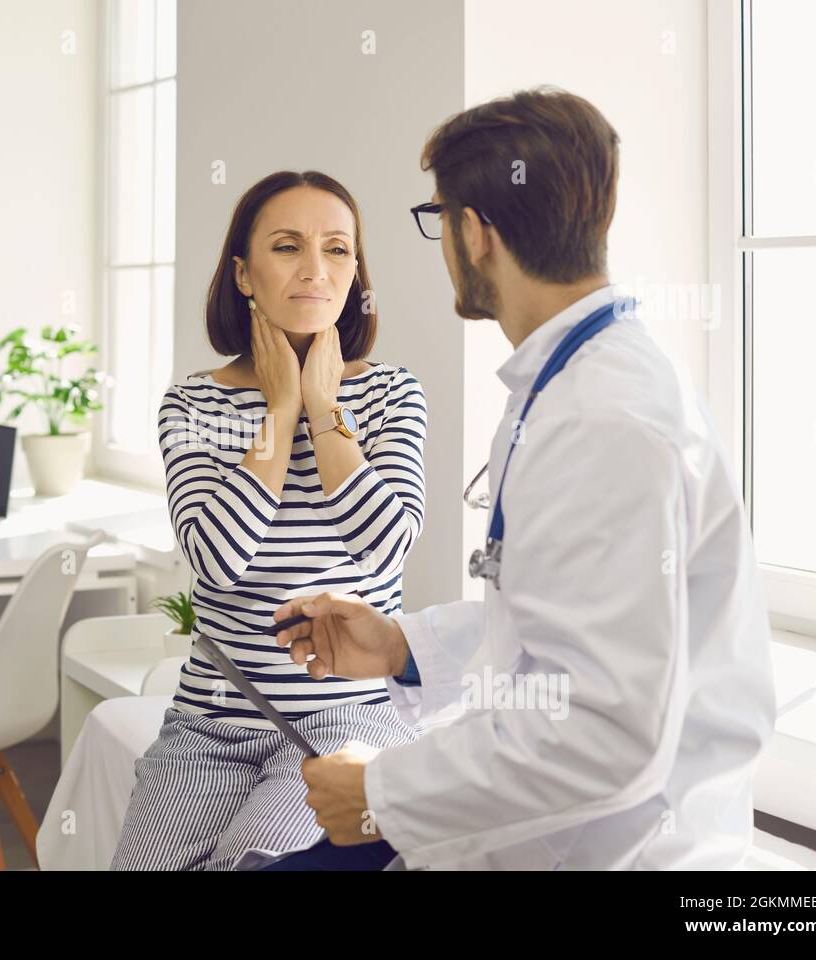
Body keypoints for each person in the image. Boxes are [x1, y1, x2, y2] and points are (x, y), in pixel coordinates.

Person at [273, 88, 777, 870]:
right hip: (530, 820)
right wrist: (403, 647)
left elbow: (604, 730)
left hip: (610, 847)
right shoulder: (576, 382)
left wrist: (382, 793)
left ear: (475, 233)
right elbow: (563, 623)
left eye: (440, 218)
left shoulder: (604, 418)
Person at [111, 171, 428, 870]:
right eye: (288, 247)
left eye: (337, 249)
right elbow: (216, 560)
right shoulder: (192, 404)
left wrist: (322, 407)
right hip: (210, 724)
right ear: (243, 274)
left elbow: (385, 547)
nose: (316, 269)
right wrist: (280, 414)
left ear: (355, 272)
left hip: (350, 717)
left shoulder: (391, 393)